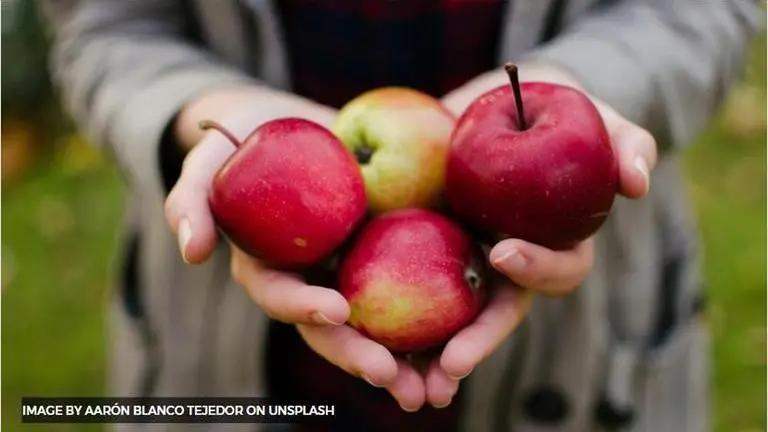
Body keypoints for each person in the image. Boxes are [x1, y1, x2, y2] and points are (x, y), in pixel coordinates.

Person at [40, 0, 761, 431]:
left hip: (584, 346)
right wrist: (207, 112)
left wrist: (581, 86)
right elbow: (107, 25)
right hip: (223, 352)